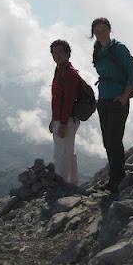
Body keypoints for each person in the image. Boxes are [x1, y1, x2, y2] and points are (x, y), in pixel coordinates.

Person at [91, 17, 133, 192]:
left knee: (114, 140)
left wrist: (125, 96)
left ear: (110, 30)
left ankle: (117, 179)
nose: (100, 34)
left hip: (118, 99)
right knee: (107, 140)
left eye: (103, 30)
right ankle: (115, 176)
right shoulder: (98, 49)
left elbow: (132, 73)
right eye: (96, 32)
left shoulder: (119, 49)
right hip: (103, 99)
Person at [49, 39, 80, 184]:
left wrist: (62, 123)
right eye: (54, 53)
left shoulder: (68, 72)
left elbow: (68, 100)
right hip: (62, 119)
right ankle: (72, 183)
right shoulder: (60, 70)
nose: (56, 56)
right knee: (67, 151)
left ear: (68, 53)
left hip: (66, 120)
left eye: (60, 52)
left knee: (61, 154)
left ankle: (61, 185)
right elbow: (58, 99)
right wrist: (53, 120)